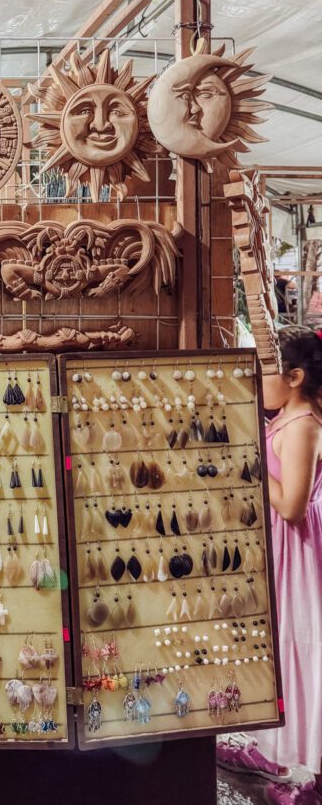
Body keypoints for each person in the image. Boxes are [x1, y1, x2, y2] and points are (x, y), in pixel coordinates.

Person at [217, 328, 322, 804]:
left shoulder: (303, 426)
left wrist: (254, 458)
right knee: (276, 650)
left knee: (296, 650)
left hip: (294, 552)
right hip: (277, 550)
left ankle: (301, 768)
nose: (259, 383)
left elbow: (293, 506)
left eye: (266, 372)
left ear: (295, 377)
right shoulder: (286, 418)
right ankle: (277, 756)